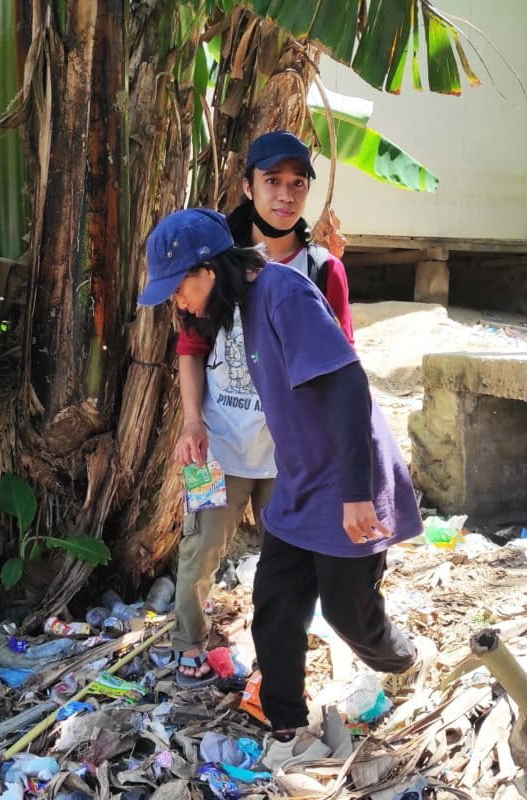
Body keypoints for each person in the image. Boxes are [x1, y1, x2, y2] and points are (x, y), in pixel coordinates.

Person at [138, 208, 432, 766]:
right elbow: (191, 359)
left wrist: (355, 492)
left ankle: (403, 661)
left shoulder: (280, 292)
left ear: (208, 270)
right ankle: (287, 728)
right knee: (273, 603)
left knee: (349, 613)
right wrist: (192, 424)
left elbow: (348, 384)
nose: (177, 303)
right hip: (294, 479)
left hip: (344, 477)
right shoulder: (225, 311)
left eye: (177, 289)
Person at [169, 132, 353, 688]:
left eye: (298, 184)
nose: (285, 196)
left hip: (289, 457)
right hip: (212, 446)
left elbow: (341, 366)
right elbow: (190, 346)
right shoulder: (214, 264)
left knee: (290, 559)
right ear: (247, 185)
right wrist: (191, 422)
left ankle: (278, 652)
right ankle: (187, 640)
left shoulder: (324, 270)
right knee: (198, 546)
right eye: (272, 181)